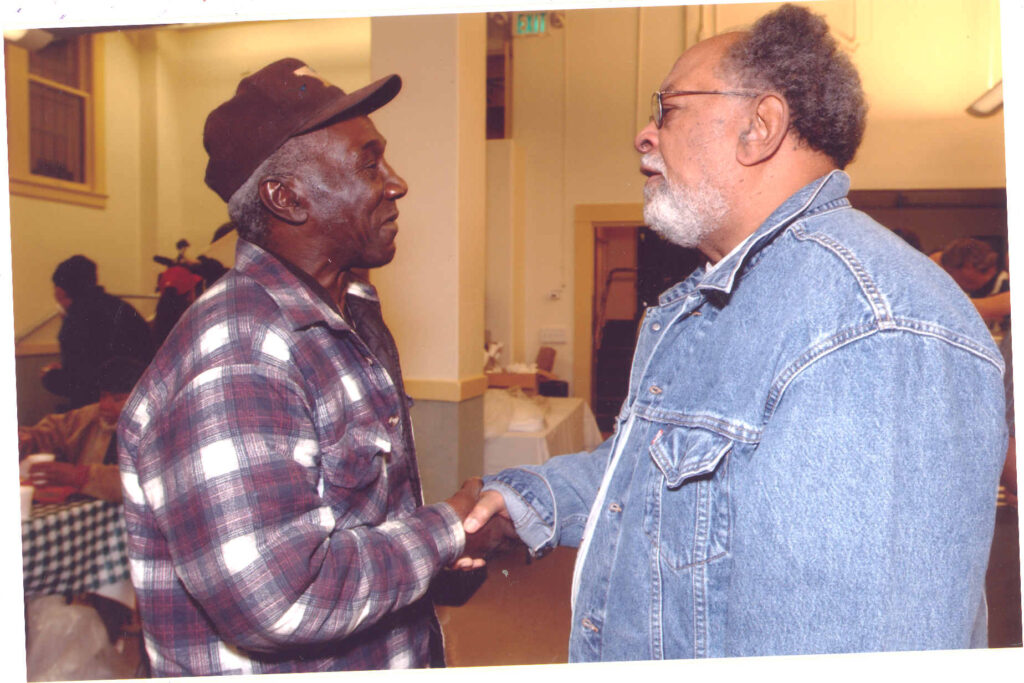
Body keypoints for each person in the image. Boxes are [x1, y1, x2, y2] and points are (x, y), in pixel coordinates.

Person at [462, 4, 1007, 659]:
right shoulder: (717, 299)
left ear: (759, 128)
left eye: (667, 109)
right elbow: (653, 474)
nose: (643, 135)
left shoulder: (868, 330)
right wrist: (528, 499)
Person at [117, 58, 510, 676]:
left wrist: (428, 561)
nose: (398, 184)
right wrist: (445, 533)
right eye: (368, 164)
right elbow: (282, 599)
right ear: (287, 198)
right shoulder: (238, 352)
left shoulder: (343, 317)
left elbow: (350, 526)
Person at [21, 356, 145, 502]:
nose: (105, 405)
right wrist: (29, 439)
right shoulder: (91, 416)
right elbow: (54, 430)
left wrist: (80, 476)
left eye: (118, 399)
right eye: (103, 396)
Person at [42, 255, 154, 409]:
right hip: (139, 401)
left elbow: (77, 382)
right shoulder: (123, 308)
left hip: (99, 407)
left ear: (60, 291)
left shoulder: (75, 321)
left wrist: (50, 376)